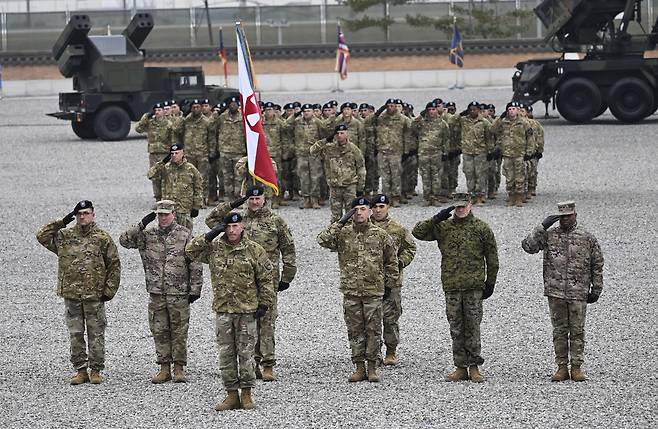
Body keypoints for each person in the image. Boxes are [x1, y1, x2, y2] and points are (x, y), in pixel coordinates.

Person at [205, 185, 297, 382]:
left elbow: (288, 249)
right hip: (241, 283)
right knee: (248, 324)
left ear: (265, 199)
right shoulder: (238, 220)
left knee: (267, 322)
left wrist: (287, 276)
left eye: (258, 199)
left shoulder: (275, 221)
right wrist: (232, 205)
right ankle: (251, 364)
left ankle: (268, 364)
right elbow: (210, 220)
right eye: (251, 199)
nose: (254, 202)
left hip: (266, 280)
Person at [186, 212, 274, 411]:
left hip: (247, 311)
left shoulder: (254, 250)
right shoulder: (215, 249)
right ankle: (231, 394)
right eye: (228, 227)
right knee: (226, 355)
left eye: (236, 226)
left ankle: (247, 393)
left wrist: (264, 304)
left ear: (242, 227)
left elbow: (267, 278)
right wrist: (210, 234)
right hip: (224, 310)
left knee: (246, 354)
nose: (232, 230)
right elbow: (190, 251)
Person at [412, 193, 498, 382]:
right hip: (451, 286)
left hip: (473, 286)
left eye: (463, 206)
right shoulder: (444, 227)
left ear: (470, 205)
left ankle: (474, 366)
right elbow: (417, 232)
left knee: (473, 326)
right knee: (456, 327)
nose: (460, 210)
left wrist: (490, 283)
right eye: (456, 207)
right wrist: (436, 219)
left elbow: (492, 258)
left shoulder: (481, 228)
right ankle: (460, 366)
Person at [36, 200, 121, 385]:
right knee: (75, 333)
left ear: (93, 214)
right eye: (79, 213)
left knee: (96, 333)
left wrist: (109, 290)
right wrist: (62, 221)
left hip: (94, 295)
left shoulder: (102, 238)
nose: (82, 217)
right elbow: (42, 236)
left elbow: (114, 264)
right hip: (72, 294)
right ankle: (81, 369)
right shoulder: (64, 236)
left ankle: (96, 370)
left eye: (86, 213)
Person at [119, 200, 203, 384]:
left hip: (179, 292)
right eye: (159, 215)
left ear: (173, 214)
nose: (163, 218)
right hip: (156, 292)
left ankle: (179, 367)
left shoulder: (184, 234)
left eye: (166, 214)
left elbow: (195, 261)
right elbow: (124, 240)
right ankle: (164, 367)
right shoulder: (147, 235)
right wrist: (141, 224)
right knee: (159, 330)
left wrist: (195, 288)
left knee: (179, 331)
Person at [317, 197, 399, 383]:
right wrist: (340, 221)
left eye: (363, 209)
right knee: (355, 331)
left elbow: (391, 262)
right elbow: (322, 240)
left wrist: (389, 286)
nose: (359, 212)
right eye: (355, 209)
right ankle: (359, 366)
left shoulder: (380, 235)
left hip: (373, 292)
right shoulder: (343, 233)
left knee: (373, 330)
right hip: (351, 291)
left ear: (369, 211)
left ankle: (372, 367)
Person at [521, 201, 604, 382]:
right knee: (559, 331)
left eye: (568, 216)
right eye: (562, 217)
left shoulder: (586, 237)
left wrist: (596, 288)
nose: (565, 220)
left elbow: (597, 263)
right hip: (556, 292)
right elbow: (528, 246)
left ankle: (576, 367)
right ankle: (561, 367)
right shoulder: (550, 235)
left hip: (578, 292)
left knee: (577, 331)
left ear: (575, 215)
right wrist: (542, 226)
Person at [370, 194, 416, 365]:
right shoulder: (363, 228)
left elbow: (410, 247)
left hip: (392, 281)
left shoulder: (398, 229)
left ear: (388, 207)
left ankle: (391, 351)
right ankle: (373, 353)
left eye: (381, 206)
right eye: (375, 207)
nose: (378, 210)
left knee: (390, 318)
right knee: (371, 319)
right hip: (369, 281)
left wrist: (400, 263)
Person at [310, 124, 366, 223]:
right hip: (335, 186)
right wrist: (326, 140)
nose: (339, 135)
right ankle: (336, 236)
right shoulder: (329, 148)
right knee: (336, 216)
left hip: (350, 186)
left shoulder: (354, 149)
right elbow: (313, 151)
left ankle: (350, 235)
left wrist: (360, 188)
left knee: (351, 214)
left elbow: (361, 168)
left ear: (347, 134)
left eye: (342, 133)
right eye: (337, 133)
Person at [147, 143, 204, 232]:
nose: (174, 155)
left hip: (184, 209)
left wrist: (196, 206)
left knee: (185, 235)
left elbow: (198, 187)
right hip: (168, 210)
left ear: (182, 153)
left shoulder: (190, 169)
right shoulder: (165, 168)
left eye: (176, 153)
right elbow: (150, 175)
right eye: (172, 153)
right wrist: (162, 163)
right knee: (167, 236)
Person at [490, 101, 533, 207]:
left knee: (520, 176)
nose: (511, 111)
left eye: (513, 109)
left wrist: (529, 152)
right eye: (509, 109)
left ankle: (519, 197)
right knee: (509, 177)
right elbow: (493, 129)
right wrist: (500, 118)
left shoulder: (524, 122)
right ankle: (511, 196)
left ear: (517, 110)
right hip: (508, 154)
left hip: (519, 153)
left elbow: (530, 137)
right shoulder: (504, 122)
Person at [375, 98, 412, 207]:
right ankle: (386, 198)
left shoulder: (402, 119)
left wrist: (406, 150)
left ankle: (396, 197)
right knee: (385, 176)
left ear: (396, 106)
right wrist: (379, 111)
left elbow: (408, 134)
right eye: (388, 106)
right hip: (382, 151)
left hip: (396, 152)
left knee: (396, 176)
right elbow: (369, 120)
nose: (390, 108)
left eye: (392, 105)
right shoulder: (381, 118)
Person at [412, 101, 450, 206]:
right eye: (429, 110)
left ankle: (435, 198)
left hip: (436, 153)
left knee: (436, 176)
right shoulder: (422, 122)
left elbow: (446, 139)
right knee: (425, 176)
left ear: (436, 110)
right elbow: (413, 126)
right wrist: (421, 114)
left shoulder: (442, 124)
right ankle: (427, 198)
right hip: (423, 154)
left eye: (433, 109)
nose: (431, 112)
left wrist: (445, 152)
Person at [135, 102, 173, 201]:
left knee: (166, 176)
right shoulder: (150, 123)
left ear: (164, 112)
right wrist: (145, 117)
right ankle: (158, 199)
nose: (157, 112)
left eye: (159, 110)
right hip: (153, 153)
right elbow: (138, 129)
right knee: (155, 176)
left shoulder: (169, 124)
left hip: (165, 154)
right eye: (155, 110)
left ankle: (166, 199)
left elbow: (173, 140)